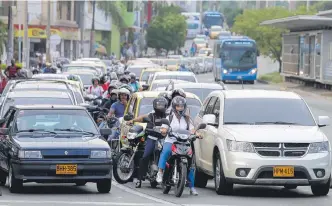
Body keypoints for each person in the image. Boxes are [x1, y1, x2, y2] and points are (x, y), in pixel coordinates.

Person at [156, 96, 198, 196]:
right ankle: (160, 172)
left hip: (184, 142)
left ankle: (192, 187)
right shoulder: (169, 117)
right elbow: (164, 127)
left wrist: (196, 133)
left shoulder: (187, 119)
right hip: (171, 141)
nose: (180, 108)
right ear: (174, 107)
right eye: (178, 106)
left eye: (182, 106)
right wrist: (163, 130)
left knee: (191, 163)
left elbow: (192, 129)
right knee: (165, 152)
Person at [126, 97, 168, 188]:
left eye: (162, 105)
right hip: (152, 138)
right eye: (158, 105)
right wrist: (132, 121)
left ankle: (167, 179)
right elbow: (142, 118)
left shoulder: (167, 116)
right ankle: (139, 179)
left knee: (168, 156)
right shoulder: (151, 115)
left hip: (163, 139)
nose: (160, 107)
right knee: (145, 156)